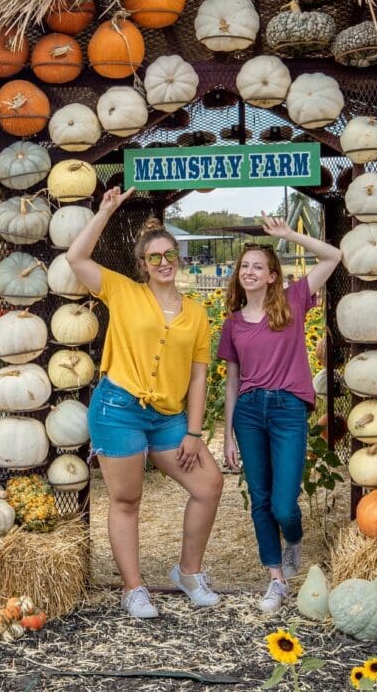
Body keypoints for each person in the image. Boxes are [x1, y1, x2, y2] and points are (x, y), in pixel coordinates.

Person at [66, 186, 224, 619]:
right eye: (154, 257)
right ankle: (133, 589)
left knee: (209, 485)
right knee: (127, 499)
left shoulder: (197, 313)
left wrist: (194, 432)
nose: (163, 263)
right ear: (143, 265)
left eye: (169, 255)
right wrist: (105, 210)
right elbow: (76, 259)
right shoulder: (122, 292)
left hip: (170, 418)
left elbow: (197, 376)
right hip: (118, 409)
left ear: (179, 258)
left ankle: (188, 572)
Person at [219, 215, 341, 613]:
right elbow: (233, 380)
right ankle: (276, 579)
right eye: (245, 267)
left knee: (284, 505)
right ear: (238, 276)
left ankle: (294, 536)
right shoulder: (233, 324)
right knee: (260, 498)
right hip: (250, 413)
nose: (249, 272)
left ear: (273, 276)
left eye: (258, 266)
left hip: (288, 408)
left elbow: (334, 255)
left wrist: (288, 235)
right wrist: (227, 435)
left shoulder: (293, 300)